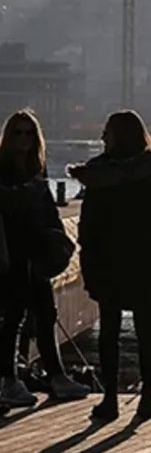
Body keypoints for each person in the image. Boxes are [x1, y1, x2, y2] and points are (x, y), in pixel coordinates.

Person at [69, 110, 151, 422]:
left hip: (108, 258)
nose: (103, 137)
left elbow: (89, 223)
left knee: (110, 330)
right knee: (146, 327)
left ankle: (110, 398)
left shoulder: (98, 173)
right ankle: (146, 397)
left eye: (107, 131)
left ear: (117, 135)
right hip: (145, 259)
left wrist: (88, 255)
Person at [0, 110, 90, 406]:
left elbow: (49, 207)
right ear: (8, 137)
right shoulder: (4, 168)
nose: (23, 139)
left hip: (36, 249)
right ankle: (9, 379)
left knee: (46, 312)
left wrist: (57, 235)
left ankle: (55, 375)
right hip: (11, 252)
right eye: (18, 133)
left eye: (28, 133)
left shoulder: (37, 167)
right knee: (13, 316)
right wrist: (26, 193)